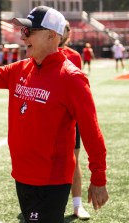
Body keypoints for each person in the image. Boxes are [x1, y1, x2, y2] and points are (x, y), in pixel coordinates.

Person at [0, 6, 108, 223]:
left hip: (51, 181)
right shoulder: (19, 69)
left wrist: (99, 178)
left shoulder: (72, 78)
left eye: (30, 31)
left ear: (52, 36)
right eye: (23, 30)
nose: (23, 35)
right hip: (21, 176)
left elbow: (91, 132)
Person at [59, 20, 90, 220]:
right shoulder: (39, 52)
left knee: (74, 159)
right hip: (47, 116)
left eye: (66, 30)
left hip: (69, 117)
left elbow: (77, 88)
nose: (64, 33)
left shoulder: (74, 56)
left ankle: (77, 205)